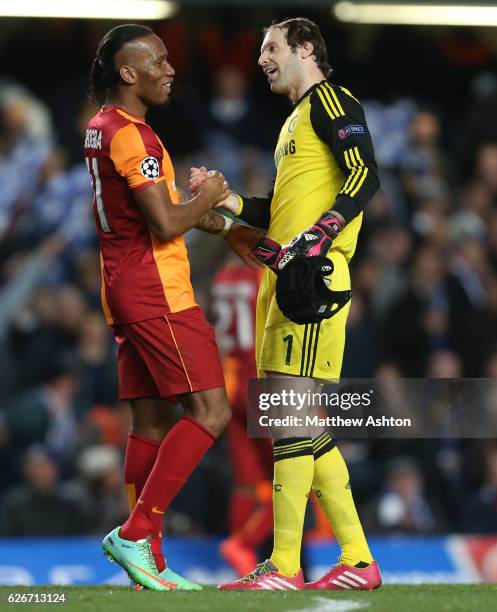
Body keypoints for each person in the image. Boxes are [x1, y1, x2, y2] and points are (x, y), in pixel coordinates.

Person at [191, 17, 382, 591]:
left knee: (287, 418)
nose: (261, 59)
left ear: (305, 49)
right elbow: (277, 209)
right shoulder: (294, 120)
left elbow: (365, 172)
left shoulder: (331, 101)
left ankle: (285, 565)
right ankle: (357, 559)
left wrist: (322, 234)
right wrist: (227, 205)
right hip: (281, 275)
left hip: (311, 278)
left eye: (271, 48)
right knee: (295, 421)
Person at [85, 24, 237, 592]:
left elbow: (152, 208)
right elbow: (167, 221)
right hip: (158, 293)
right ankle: (136, 532)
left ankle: (146, 560)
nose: (171, 69)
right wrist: (212, 193)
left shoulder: (102, 130)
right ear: (129, 73)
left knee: (149, 423)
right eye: (159, 61)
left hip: (123, 287)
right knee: (211, 412)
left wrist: (221, 226)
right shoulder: (134, 137)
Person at [211, 254, 274, 576]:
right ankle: (245, 543)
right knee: (298, 476)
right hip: (263, 383)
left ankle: (242, 561)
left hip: (229, 384)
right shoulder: (264, 275)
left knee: (246, 484)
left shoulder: (223, 277)